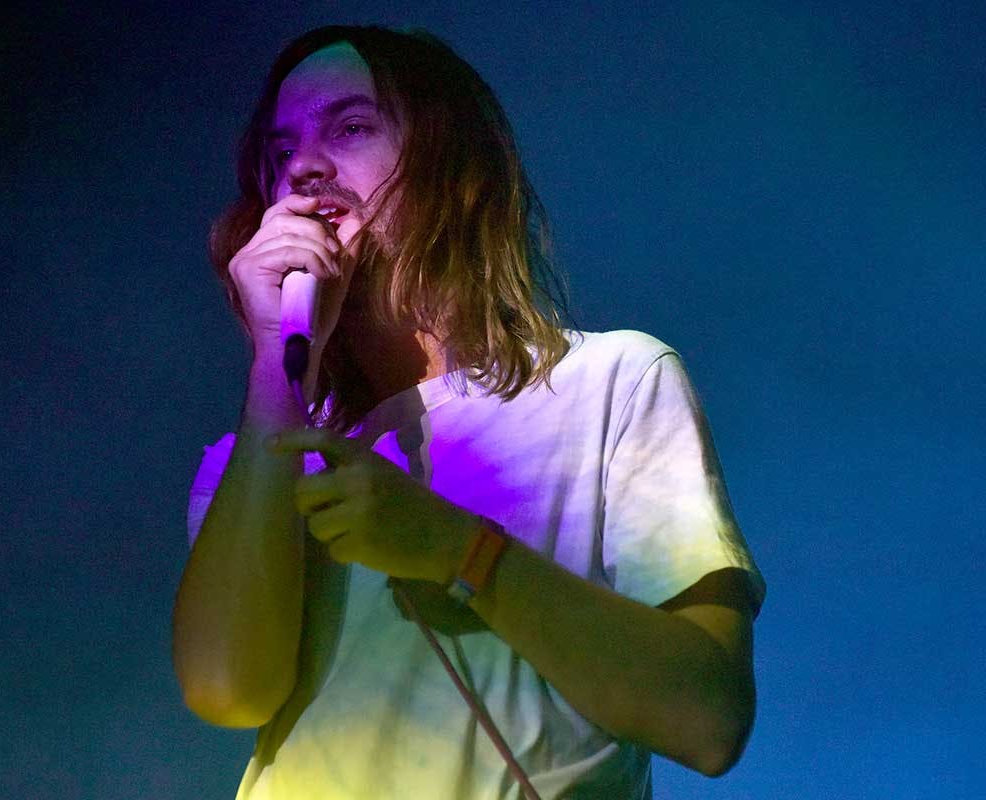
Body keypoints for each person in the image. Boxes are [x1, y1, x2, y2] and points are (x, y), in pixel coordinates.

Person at [172, 25, 765, 800]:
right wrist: (274, 361)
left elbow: (707, 716)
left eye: (350, 128)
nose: (305, 168)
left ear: (453, 174)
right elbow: (225, 688)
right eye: (282, 152)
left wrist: (462, 551)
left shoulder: (613, 382)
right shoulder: (257, 448)